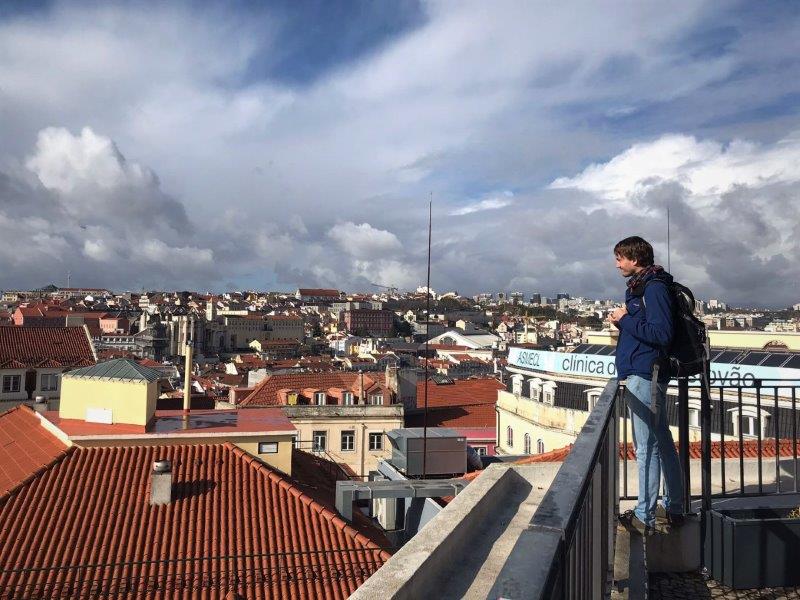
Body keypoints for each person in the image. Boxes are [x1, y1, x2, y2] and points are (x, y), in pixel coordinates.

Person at [609, 236, 684, 535]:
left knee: (647, 447)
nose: (616, 264)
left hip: (645, 374)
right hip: (645, 372)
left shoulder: (652, 288)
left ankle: (644, 516)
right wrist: (627, 317)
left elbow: (661, 333)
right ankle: (675, 506)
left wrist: (622, 320)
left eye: (620, 258)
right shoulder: (647, 286)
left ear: (634, 259)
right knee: (662, 442)